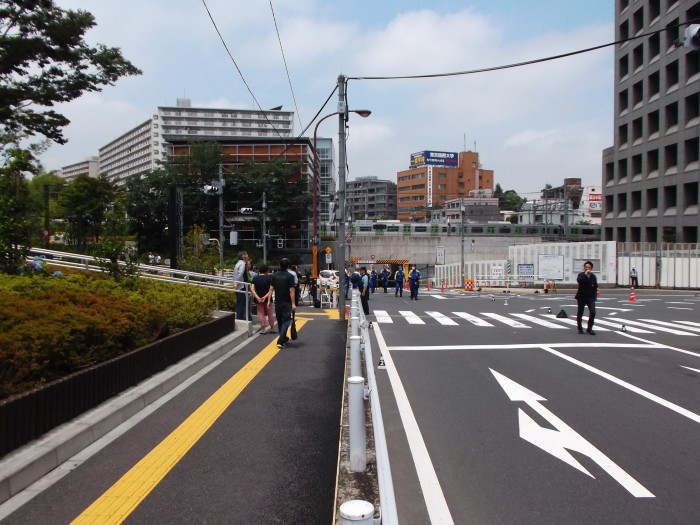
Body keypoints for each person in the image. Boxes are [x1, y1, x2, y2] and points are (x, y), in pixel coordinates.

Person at [271, 258, 297, 348]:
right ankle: (280, 340)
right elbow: (291, 290)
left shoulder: (274, 275)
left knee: (280, 321)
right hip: (286, 302)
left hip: (277, 302)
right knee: (286, 320)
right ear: (288, 266)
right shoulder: (290, 276)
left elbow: (271, 288)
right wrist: (293, 303)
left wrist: (268, 300)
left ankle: (284, 337)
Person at [575, 260, 598, 335]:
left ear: (591, 268)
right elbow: (580, 281)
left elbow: (595, 286)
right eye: (586, 267)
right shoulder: (581, 275)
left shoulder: (593, 276)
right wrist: (585, 275)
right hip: (581, 296)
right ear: (584, 268)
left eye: (589, 267)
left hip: (590, 297)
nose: (587, 268)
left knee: (593, 312)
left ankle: (589, 328)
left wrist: (595, 295)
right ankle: (580, 328)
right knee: (580, 312)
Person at [251, 265, 275, 334]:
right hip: (268, 298)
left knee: (261, 313)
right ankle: (272, 328)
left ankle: (263, 329)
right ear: (266, 271)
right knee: (270, 313)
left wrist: (257, 297)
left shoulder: (255, 278)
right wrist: (265, 297)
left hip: (258, 298)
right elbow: (271, 289)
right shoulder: (270, 278)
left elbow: (252, 289)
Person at [233, 251, 251, 321]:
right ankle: (240, 319)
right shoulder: (242, 264)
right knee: (241, 304)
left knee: (239, 303)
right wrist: (237, 283)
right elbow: (240, 274)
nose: (248, 259)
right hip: (241, 286)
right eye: (247, 257)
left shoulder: (237, 264)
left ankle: (239, 318)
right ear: (244, 258)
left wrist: (235, 283)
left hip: (238, 286)